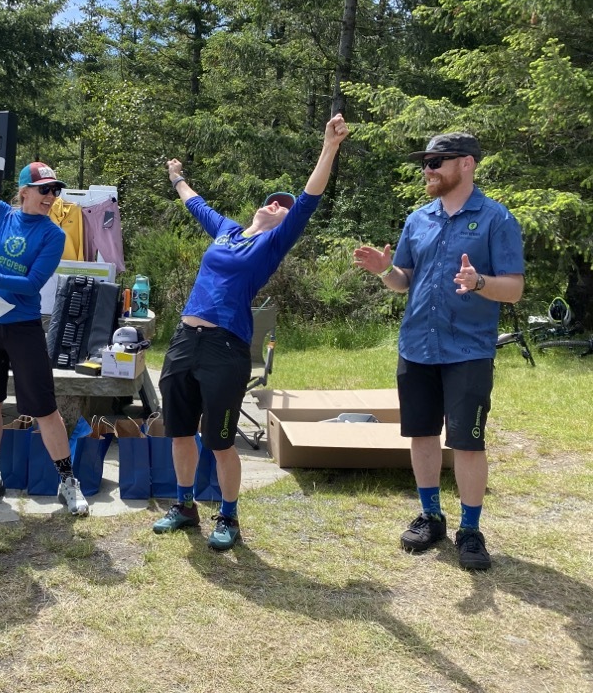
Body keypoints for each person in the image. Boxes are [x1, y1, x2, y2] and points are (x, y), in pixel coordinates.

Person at [154, 114, 350, 550]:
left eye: (282, 207)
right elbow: (196, 204)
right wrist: (176, 177)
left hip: (226, 347)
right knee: (180, 432)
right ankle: (185, 506)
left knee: (220, 440)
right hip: (185, 340)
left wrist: (329, 148)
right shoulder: (226, 232)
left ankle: (228, 516)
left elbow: (308, 198)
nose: (277, 206)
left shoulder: (272, 245)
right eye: (273, 202)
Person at [353, 132, 524, 571]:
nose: (427, 170)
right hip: (417, 347)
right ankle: (431, 517)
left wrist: (479, 283)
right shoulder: (419, 219)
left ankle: (470, 529)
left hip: (468, 350)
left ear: (465, 164)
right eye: (425, 163)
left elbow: (515, 289)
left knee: (467, 441)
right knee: (422, 434)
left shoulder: (496, 219)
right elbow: (404, 279)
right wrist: (384, 270)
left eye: (436, 162)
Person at [0, 135, 89, 516]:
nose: (50, 197)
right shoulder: (2, 214)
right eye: (44, 190)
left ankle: (68, 482)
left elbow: (31, 285)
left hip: (24, 326)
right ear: (24, 191)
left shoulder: (54, 234)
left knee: (45, 408)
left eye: (55, 191)